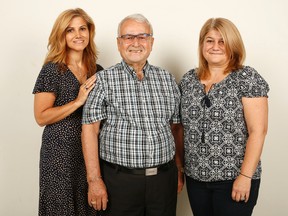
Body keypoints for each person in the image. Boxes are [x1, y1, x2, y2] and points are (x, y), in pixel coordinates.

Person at [81, 13, 184, 216]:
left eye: (142, 36)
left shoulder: (167, 79)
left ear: (152, 42)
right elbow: (89, 130)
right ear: (119, 43)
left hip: (163, 180)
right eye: (128, 37)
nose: (135, 43)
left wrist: (179, 170)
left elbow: (176, 127)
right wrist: (94, 180)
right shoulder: (103, 80)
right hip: (119, 183)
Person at [179, 17, 269, 216]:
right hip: (196, 178)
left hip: (234, 178)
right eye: (209, 40)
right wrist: (180, 167)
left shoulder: (247, 78)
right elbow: (181, 128)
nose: (215, 46)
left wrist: (245, 176)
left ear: (233, 45)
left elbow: (258, 131)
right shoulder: (188, 80)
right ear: (202, 44)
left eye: (222, 41)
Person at [32, 8, 103, 215]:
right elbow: (40, 116)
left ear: (90, 32)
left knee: (90, 205)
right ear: (61, 35)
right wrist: (77, 101)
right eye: (70, 30)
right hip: (59, 153)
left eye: (82, 29)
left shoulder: (97, 70)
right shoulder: (53, 69)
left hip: (90, 153)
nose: (78, 35)